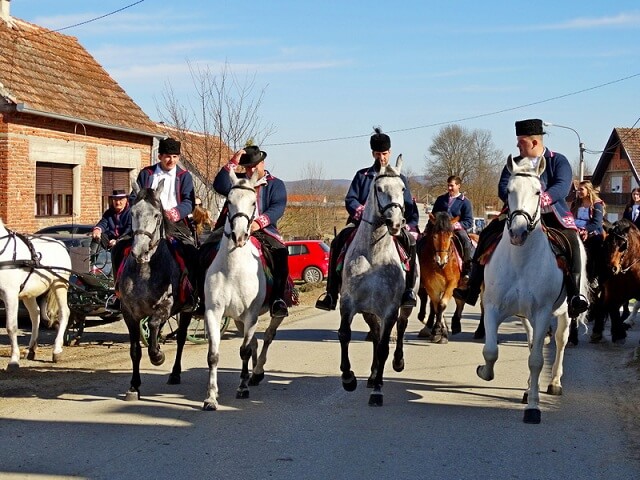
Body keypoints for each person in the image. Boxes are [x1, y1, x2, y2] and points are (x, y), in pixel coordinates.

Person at [453, 118, 589, 317]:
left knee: (572, 241)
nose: (517, 145)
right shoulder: (513, 163)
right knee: (487, 234)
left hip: (552, 215)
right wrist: (516, 199)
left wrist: (545, 198)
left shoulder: (557, 160)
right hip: (518, 214)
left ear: (534, 142)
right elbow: (502, 187)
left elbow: (563, 184)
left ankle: (576, 295)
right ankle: (472, 287)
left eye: (521, 141)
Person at [315, 127, 420, 311]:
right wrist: (361, 211)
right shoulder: (362, 175)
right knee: (337, 242)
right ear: (373, 153)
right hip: (362, 223)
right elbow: (351, 199)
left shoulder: (399, 177)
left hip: (392, 223)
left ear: (390, 152)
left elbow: (409, 204)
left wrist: (411, 225)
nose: (382, 158)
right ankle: (331, 293)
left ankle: (409, 290)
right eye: (378, 154)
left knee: (410, 242)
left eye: (385, 153)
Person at [110, 137, 198, 308]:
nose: (171, 160)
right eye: (167, 156)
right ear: (159, 156)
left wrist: (176, 212)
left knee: (192, 252)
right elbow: (134, 197)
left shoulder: (184, 176)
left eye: (174, 156)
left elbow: (189, 202)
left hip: (175, 223)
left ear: (178, 157)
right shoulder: (147, 174)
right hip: (146, 224)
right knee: (118, 249)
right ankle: (118, 293)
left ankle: (192, 294)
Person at [212, 145, 290, 317]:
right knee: (206, 249)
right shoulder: (237, 181)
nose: (252, 169)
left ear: (263, 163)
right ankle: (200, 296)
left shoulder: (275, 184)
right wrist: (232, 162)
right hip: (232, 227)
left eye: (256, 165)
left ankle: (277, 299)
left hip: (263, 230)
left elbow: (278, 207)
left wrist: (258, 223)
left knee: (280, 253)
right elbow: (219, 185)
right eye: (248, 167)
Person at [431, 175, 475, 279]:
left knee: (466, 241)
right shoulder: (441, 199)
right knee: (424, 240)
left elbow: (469, 221)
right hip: (440, 229)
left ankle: (467, 269)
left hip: (456, 230)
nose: (449, 188)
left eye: (452, 186)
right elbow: (433, 215)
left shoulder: (465, 202)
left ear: (458, 186)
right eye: (448, 186)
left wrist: (456, 225)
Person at [570, 180, 605, 284]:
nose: (579, 192)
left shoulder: (597, 204)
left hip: (592, 232)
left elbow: (597, 223)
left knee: (593, 248)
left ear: (588, 190)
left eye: (581, 189)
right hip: (575, 229)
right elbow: (570, 217)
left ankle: (593, 276)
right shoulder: (576, 203)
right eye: (578, 190)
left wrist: (585, 230)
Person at [91, 189, 132, 271]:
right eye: (115, 200)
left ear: (126, 200)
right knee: (98, 237)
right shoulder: (109, 212)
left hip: (125, 240)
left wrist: (117, 241)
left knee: (122, 247)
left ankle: (113, 273)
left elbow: (129, 230)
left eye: (120, 200)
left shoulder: (130, 212)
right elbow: (103, 223)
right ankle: (91, 263)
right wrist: (97, 230)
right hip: (111, 240)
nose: (117, 202)